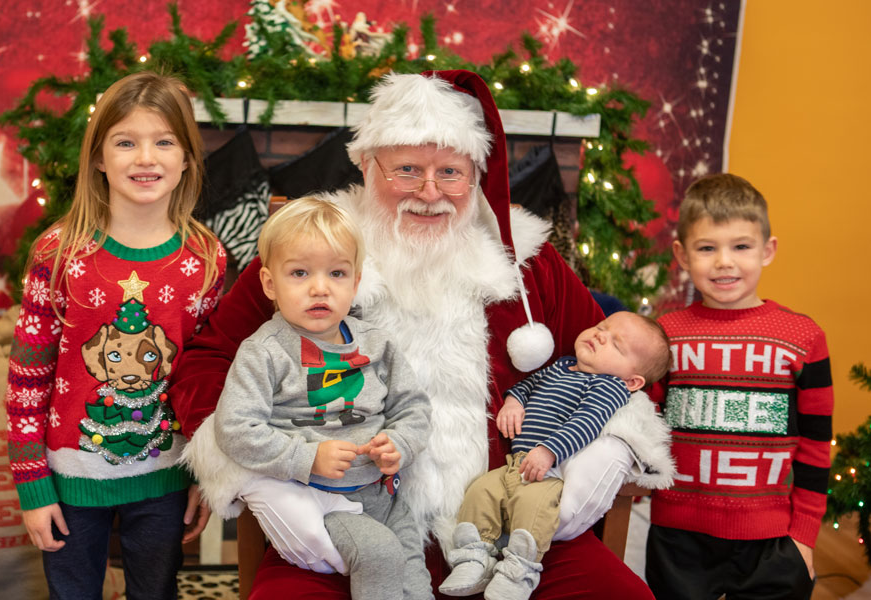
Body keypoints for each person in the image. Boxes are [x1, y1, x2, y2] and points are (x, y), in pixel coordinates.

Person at [173, 69, 673, 599]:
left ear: (475, 174)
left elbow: (638, 369)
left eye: (450, 173)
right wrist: (267, 474)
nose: (431, 193)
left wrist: (607, 452)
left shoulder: (526, 263)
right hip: (342, 515)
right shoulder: (311, 253)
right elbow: (207, 362)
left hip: (506, 529)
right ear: (367, 166)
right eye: (407, 170)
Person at [5, 71, 224, 599]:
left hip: (167, 475)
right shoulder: (59, 254)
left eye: (163, 141)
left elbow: (209, 379)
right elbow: (27, 379)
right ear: (99, 157)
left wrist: (208, 474)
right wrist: (32, 485)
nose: (145, 158)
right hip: (71, 476)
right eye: (126, 142)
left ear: (187, 158)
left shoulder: (205, 260)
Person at [183, 197, 433, 600]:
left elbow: (413, 407)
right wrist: (306, 458)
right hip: (322, 499)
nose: (320, 288)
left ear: (355, 282)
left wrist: (400, 443)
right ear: (269, 284)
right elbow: (234, 428)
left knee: (415, 576)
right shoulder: (265, 351)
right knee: (380, 555)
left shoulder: (378, 343)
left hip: (384, 491)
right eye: (299, 273)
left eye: (336, 273)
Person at [646, 173, 833, 600]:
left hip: (773, 540)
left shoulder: (803, 338)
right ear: (682, 254)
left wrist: (804, 536)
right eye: (707, 248)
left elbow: (817, 446)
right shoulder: (665, 335)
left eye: (741, 247)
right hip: (677, 537)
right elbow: (644, 424)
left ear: (768, 251)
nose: (724, 262)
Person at [441, 311, 672, 600]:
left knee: (532, 505)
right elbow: (528, 385)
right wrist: (514, 401)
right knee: (481, 490)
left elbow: (587, 422)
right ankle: (474, 556)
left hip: (548, 472)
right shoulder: (561, 365)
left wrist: (550, 450)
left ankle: (520, 569)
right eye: (601, 327)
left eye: (616, 344)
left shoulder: (610, 387)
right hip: (517, 462)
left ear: (633, 381)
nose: (600, 335)